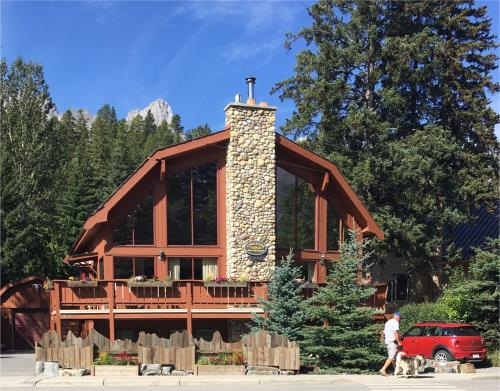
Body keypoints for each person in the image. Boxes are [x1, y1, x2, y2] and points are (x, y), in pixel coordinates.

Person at [379, 311, 402, 376]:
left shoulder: (388, 322)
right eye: (400, 318)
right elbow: (395, 332)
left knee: (393, 357)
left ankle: (396, 370)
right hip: (392, 341)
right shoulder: (395, 322)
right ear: (397, 316)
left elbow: (384, 332)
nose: (399, 319)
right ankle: (383, 369)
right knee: (391, 357)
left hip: (387, 341)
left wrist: (382, 339)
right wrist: (399, 342)